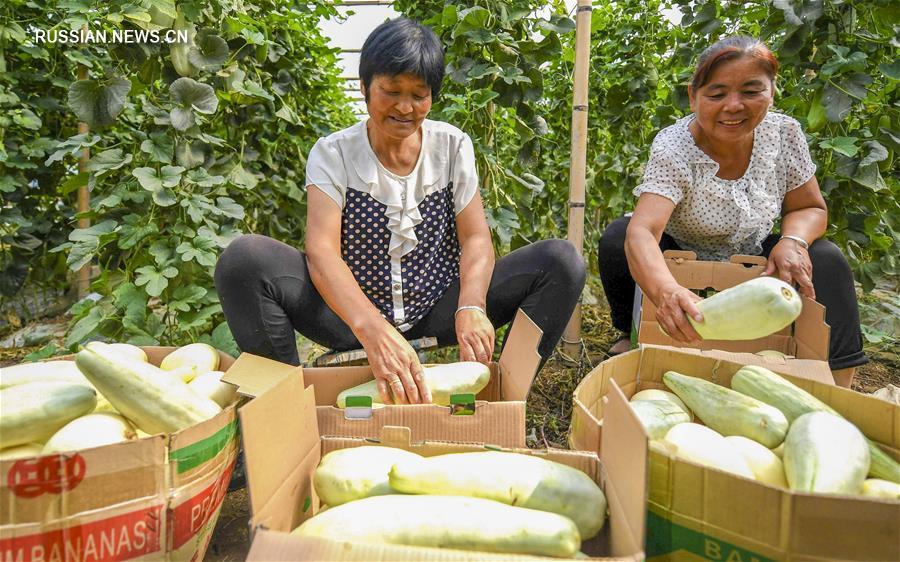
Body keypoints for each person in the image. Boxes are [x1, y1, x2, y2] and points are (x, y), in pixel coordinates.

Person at [215, 18, 585, 405]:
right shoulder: (333, 153)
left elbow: (475, 237)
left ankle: (500, 400)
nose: (405, 107)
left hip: (436, 305)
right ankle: (286, 410)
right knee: (244, 261)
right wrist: (374, 329)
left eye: (419, 95)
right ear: (365, 88)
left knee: (561, 261)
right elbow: (321, 251)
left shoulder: (452, 146)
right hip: (349, 319)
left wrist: (472, 305)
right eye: (391, 92)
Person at [597, 36, 867, 387]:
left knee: (826, 258)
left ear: (772, 91)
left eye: (751, 91)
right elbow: (645, 231)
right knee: (620, 238)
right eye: (717, 93)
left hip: (753, 247)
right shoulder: (675, 146)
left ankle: (839, 381)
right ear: (694, 97)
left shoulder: (784, 134)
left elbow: (809, 207)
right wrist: (665, 290)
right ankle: (627, 330)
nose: (733, 106)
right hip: (681, 245)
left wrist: (793, 241)